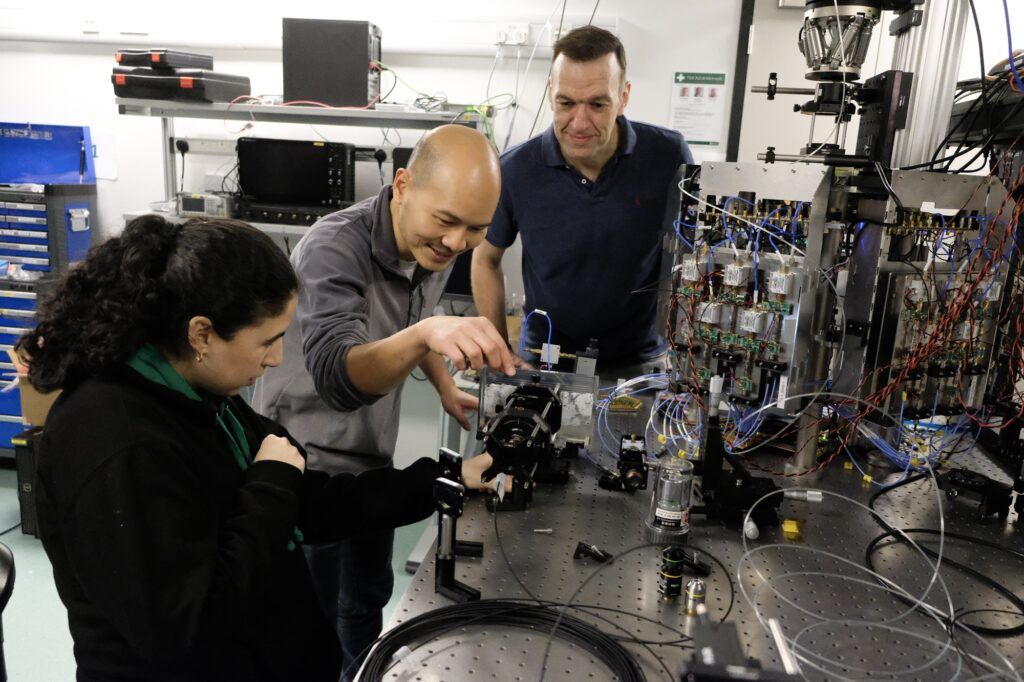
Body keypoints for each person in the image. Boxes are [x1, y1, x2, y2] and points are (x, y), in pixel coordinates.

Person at [25, 215, 496, 681]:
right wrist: (270, 486)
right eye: (267, 341)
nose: (277, 358)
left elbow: (312, 502)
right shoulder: (116, 443)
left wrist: (442, 480)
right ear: (202, 333)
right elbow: (189, 630)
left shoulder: (201, 394)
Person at [253, 124, 515, 678]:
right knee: (312, 629)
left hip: (370, 461)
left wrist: (443, 383)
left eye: (476, 229)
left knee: (364, 604)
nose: (456, 243)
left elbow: (413, 319)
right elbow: (338, 378)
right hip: (306, 469)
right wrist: (427, 335)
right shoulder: (333, 250)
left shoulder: (430, 246)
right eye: (446, 221)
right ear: (402, 185)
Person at [472, 26, 694, 378]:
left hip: (640, 364)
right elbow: (485, 258)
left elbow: (693, 255)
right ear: (550, 94)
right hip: (543, 360)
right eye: (566, 103)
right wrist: (498, 349)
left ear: (623, 97)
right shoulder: (515, 169)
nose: (579, 123)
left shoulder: (668, 156)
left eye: (597, 104)